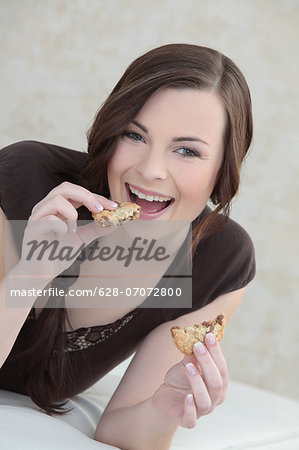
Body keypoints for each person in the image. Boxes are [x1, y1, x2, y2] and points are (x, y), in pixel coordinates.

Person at [0, 43, 255, 449]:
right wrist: (31, 274)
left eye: (187, 150)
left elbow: (119, 433)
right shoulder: (25, 183)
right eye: (134, 135)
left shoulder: (218, 260)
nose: (150, 170)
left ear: (223, 166)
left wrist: (162, 410)